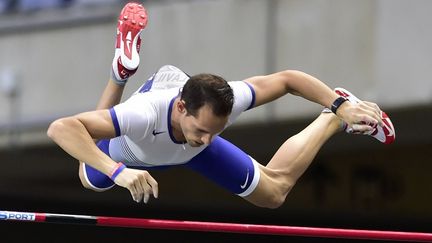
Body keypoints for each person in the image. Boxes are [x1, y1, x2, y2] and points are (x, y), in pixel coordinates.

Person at [47, 2, 395, 209]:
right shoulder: (144, 114)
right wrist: (118, 171)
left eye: (216, 131)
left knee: (273, 195)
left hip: (180, 134)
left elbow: (288, 79)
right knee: (90, 177)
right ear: (182, 108)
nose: (207, 139)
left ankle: (330, 121)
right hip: (137, 148)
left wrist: (337, 106)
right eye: (202, 130)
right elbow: (62, 127)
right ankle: (120, 74)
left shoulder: (223, 105)